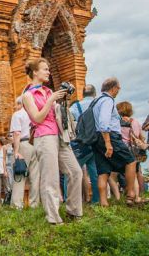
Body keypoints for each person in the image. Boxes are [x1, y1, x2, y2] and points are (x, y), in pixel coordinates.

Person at [21, 59, 82, 225]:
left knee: (75, 172)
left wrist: (62, 99)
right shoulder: (27, 95)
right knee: (51, 178)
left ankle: (74, 211)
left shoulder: (48, 91)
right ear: (35, 72)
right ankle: (53, 219)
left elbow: (56, 114)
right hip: (44, 136)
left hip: (60, 136)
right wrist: (51, 100)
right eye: (45, 69)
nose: (48, 72)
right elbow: (38, 118)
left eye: (48, 69)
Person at [91, 77, 146, 208]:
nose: (119, 89)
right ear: (113, 88)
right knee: (131, 160)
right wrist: (108, 143)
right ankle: (131, 195)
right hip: (109, 136)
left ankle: (104, 203)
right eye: (118, 87)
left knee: (103, 171)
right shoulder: (108, 100)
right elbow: (104, 123)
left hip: (96, 138)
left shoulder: (96, 102)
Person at [70, 84, 100, 204]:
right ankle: (96, 199)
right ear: (94, 94)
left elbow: (69, 121)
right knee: (95, 172)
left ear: (82, 94)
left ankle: (71, 199)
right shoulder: (99, 104)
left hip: (82, 142)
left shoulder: (76, 107)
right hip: (97, 141)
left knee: (73, 171)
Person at [9, 95, 39, 209]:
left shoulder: (17, 115)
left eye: (16, 104)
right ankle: (34, 204)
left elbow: (16, 133)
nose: (15, 107)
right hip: (32, 144)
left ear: (21, 104)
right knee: (35, 176)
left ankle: (17, 206)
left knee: (19, 175)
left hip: (22, 144)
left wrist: (16, 151)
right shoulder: (32, 114)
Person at [117, 101, 147, 200]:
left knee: (126, 174)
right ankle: (139, 195)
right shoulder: (136, 122)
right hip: (135, 150)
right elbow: (141, 137)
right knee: (137, 173)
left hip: (124, 149)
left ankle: (130, 195)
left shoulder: (119, 122)